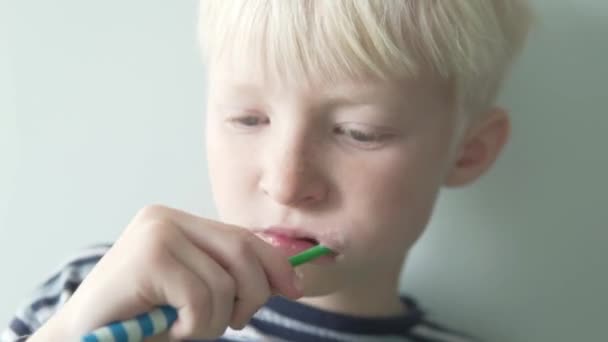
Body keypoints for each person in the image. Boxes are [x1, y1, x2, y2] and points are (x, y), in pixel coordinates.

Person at [2, 1, 534, 341]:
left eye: (359, 132)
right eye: (248, 118)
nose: (285, 182)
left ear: (468, 151)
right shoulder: (97, 294)